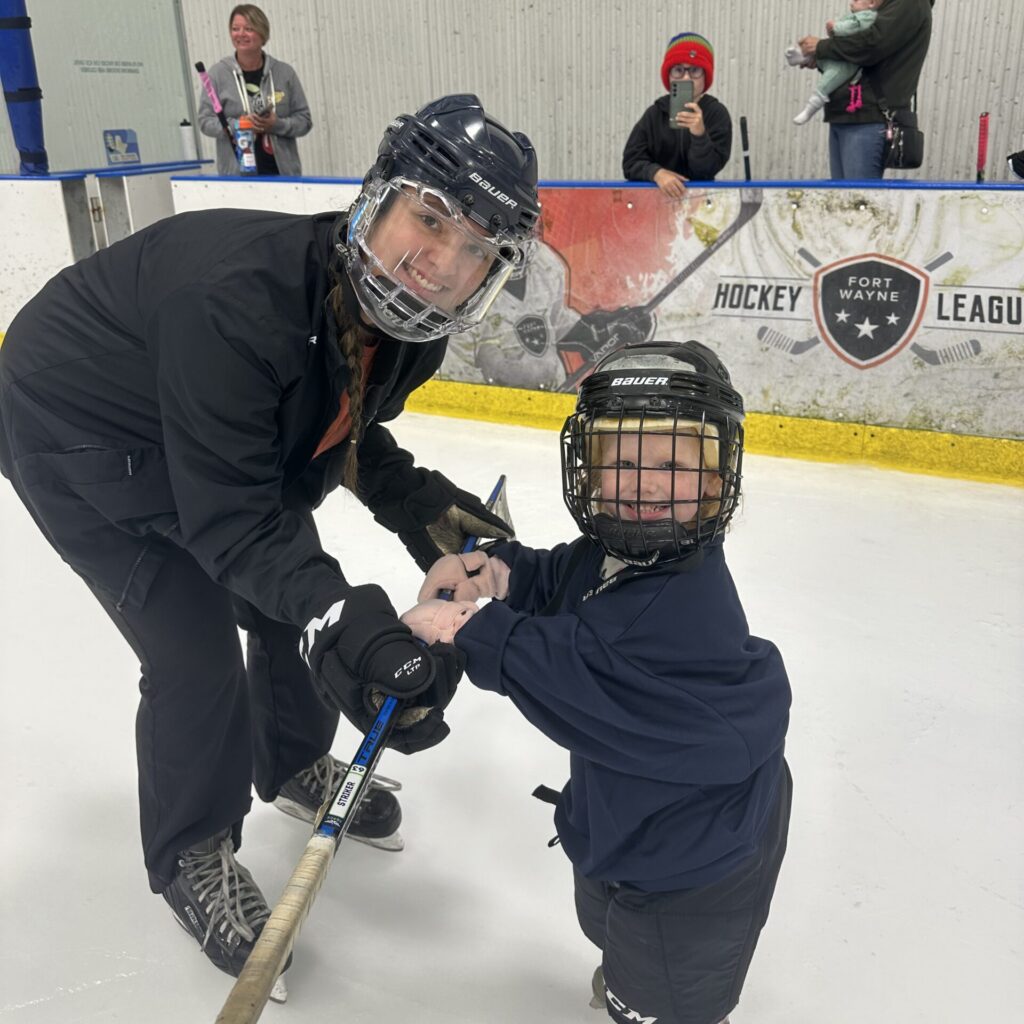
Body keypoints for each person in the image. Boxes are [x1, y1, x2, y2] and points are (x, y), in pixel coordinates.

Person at [0, 94, 539, 987]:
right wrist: (342, 614)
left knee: (284, 586)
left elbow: (340, 424)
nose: (441, 263)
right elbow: (235, 519)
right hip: (77, 433)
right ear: (380, 195)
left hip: (190, 423)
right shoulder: (234, 304)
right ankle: (190, 855)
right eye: (431, 218)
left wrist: (420, 509)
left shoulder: (409, 328)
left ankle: (289, 761)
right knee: (196, 652)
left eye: (478, 247)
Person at [402, 341, 792, 1024]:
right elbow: (572, 580)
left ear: (714, 478)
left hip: (692, 870)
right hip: (634, 820)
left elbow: (572, 673)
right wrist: (503, 572)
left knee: (663, 994)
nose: (643, 481)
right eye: (623, 459)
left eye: (672, 463)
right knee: (614, 928)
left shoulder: (681, 609)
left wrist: (462, 627)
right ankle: (631, 983)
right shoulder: (638, 551)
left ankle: (649, 1005)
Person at [444, 236, 655, 392]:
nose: (517, 248)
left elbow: (553, 321)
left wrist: (598, 332)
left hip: (553, 391)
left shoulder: (545, 264)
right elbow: (456, 366)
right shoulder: (464, 284)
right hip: (493, 403)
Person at [798, 0, 934, 179]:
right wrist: (824, 59)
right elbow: (861, 52)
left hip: (869, 116)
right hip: (849, 114)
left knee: (857, 200)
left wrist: (822, 47)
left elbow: (873, 45)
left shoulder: (909, 4)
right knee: (842, 201)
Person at [197, 4, 312, 176]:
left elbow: (304, 121)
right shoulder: (218, 74)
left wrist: (276, 124)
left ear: (262, 33)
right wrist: (237, 125)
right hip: (237, 177)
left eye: (248, 29)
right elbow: (205, 121)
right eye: (235, 29)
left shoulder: (284, 73)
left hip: (283, 176)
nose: (241, 34)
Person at [622, 32, 733, 198]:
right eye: (678, 70)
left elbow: (706, 171)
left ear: (706, 76)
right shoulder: (655, 113)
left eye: (694, 70)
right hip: (656, 204)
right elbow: (630, 162)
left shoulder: (717, 114)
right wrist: (656, 173)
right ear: (669, 76)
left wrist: (699, 135)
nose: (686, 77)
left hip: (701, 205)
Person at [786, 0, 887, 125]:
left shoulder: (867, 17)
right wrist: (833, 31)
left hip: (846, 64)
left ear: (871, 3)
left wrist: (836, 27)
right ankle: (802, 57)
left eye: (856, 0)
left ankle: (810, 108)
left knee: (828, 80)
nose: (851, 3)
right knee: (819, 57)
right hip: (838, 54)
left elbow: (849, 28)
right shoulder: (854, 16)